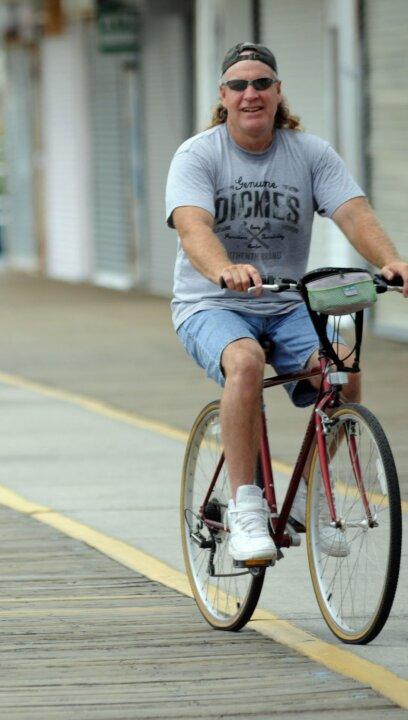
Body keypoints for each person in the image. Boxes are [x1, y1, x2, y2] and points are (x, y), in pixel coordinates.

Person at [167, 42, 408, 564]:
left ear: (278, 92)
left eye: (261, 83)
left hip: (284, 303)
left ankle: (307, 498)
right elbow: (193, 227)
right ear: (223, 96)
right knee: (246, 362)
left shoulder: (310, 153)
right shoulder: (198, 155)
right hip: (212, 303)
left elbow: (354, 213)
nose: (250, 93)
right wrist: (224, 268)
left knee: (343, 372)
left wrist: (391, 261)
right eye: (238, 85)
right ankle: (246, 508)